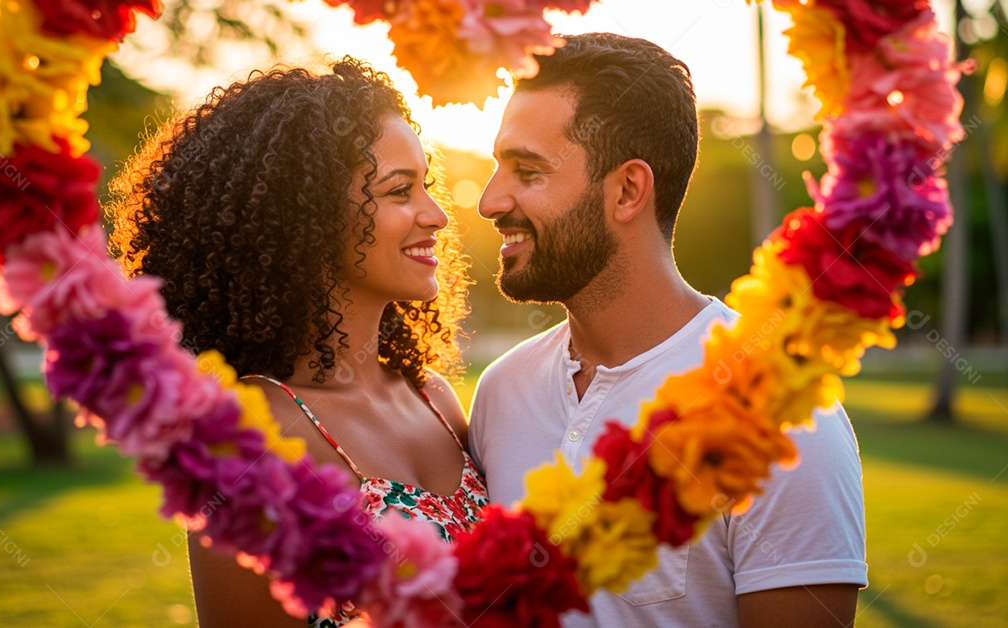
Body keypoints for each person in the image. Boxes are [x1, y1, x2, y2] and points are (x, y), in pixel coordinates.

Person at [469, 32, 867, 627]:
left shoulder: (777, 416)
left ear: (628, 190)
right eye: (497, 166)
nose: (489, 200)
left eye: (527, 171)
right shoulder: (502, 392)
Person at [108, 58, 487, 627]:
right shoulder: (249, 435)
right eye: (400, 190)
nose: (435, 215)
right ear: (307, 211)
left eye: (426, 184)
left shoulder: (432, 395)